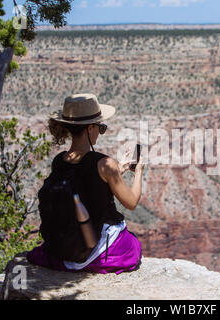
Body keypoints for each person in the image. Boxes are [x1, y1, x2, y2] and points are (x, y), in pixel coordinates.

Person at [26, 93, 143, 274]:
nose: (100, 131)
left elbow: (83, 180)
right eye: (100, 127)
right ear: (90, 129)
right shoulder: (104, 164)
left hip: (65, 247)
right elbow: (131, 202)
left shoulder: (59, 161)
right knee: (133, 245)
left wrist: (118, 170)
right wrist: (139, 172)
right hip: (94, 249)